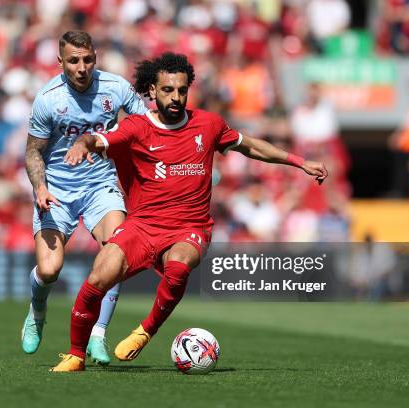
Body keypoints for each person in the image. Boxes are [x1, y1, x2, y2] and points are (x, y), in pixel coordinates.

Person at [51, 52, 328, 371]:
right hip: (142, 226)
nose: (176, 97)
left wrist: (298, 162)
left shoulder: (208, 124)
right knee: (100, 274)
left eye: (182, 90)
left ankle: (146, 330)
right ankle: (75, 355)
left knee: (179, 266)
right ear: (153, 91)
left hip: (189, 228)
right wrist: (85, 143)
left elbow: (249, 146)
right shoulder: (138, 127)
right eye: (168, 90)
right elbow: (102, 139)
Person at [21, 30, 147, 365]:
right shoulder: (48, 98)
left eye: (88, 59)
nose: (82, 67)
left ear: (96, 56)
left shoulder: (116, 88)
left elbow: (145, 125)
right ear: (60, 61)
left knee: (116, 255)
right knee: (50, 270)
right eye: (74, 60)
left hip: (100, 186)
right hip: (57, 191)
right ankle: (37, 309)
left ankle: (98, 335)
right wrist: (40, 188)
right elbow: (33, 152)